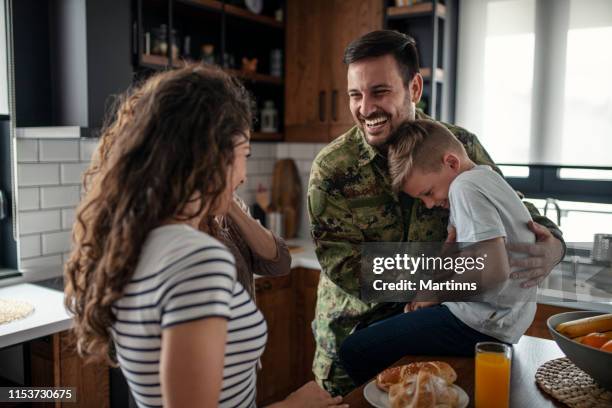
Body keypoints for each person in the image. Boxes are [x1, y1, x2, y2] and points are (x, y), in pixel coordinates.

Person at [64, 64, 346, 408]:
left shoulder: (129, 244)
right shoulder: (196, 258)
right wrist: (293, 406)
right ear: (213, 155)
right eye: (244, 154)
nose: (243, 175)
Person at [307, 30, 565, 395]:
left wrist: (553, 244)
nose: (365, 108)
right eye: (355, 94)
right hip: (355, 343)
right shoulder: (332, 169)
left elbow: (515, 211)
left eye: (379, 92)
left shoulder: (459, 145)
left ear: (414, 88)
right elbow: (348, 267)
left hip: (443, 339)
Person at [339, 119, 539, 384]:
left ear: (452, 163)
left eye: (429, 192)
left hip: (480, 323)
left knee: (355, 350)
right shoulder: (487, 178)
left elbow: (494, 273)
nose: (430, 204)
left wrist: (433, 295)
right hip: (501, 322)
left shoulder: (464, 187)